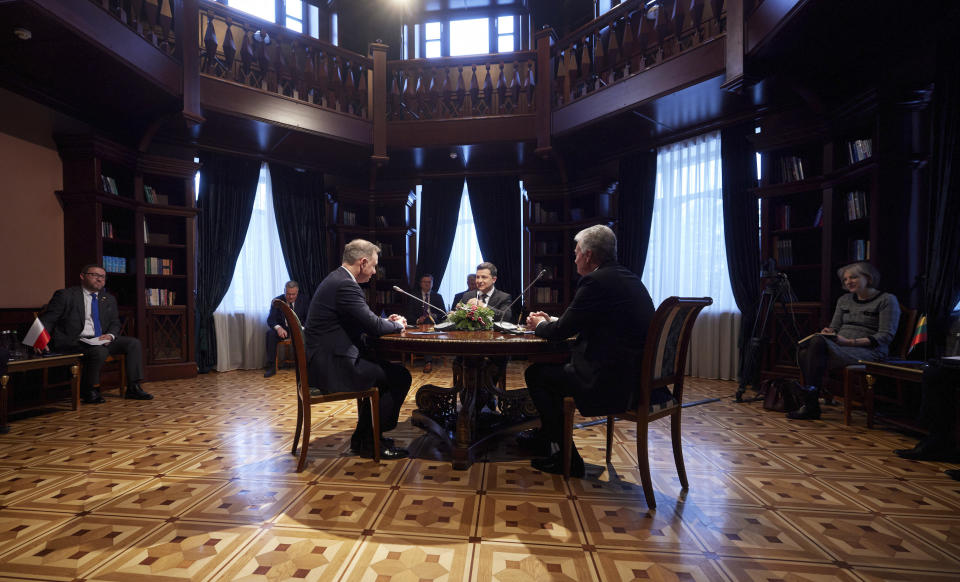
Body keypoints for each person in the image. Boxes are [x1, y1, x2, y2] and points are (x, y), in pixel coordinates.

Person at [524, 225, 656, 477]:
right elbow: (588, 320)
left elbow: (561, 332)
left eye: (575, 253)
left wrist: (540, 325)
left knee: (536, 375)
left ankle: (567, 458)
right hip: (636, 376)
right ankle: (546, 440)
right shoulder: (624, 277)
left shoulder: (595, 281)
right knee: (548, 372)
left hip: (611, 381)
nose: (573, 259)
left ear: (587, 254)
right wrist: (553, 320)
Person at [303, 239, 411, 460]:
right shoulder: (346, 285)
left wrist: (385, 322)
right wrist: (397, 325)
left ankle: (363, 438)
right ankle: (372, 441)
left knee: (386, 372)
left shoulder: (337, 279)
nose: (374, 272)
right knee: (398, 376)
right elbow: (374, 326)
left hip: (326, 360)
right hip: (333, 367)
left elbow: (366, 322)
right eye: (373, 266)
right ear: (362, 263)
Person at [788, 261, 900, 420]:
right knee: (807, 346)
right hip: (839, 346)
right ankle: (811, 399)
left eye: (853, 277)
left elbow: (886, 336)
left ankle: (810, 401)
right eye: (845, 279)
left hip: (869, 351)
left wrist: (849, 342)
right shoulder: (844, 300)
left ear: (868, 278)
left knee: (814, 347)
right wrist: (830, 332)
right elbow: (834, 327)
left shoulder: (887, 300)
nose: (848, 282)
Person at [39, 264, 152, 403]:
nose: (100, 280)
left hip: (99, 339)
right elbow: (48, 320)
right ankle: (89, 389)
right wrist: (41, 340)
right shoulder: (66, 295)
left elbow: (115, 323)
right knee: (99, 352)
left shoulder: (108, 299)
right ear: (82, 276)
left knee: (133, 343)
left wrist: (110, 335)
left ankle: (133, 387)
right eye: (95, 275)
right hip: (74, 341)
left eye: (103, 277)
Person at [263, 281, 310, 378]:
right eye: (288, 294)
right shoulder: (277, 301)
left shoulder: (304, 300)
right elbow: (271, 319)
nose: (291, 297)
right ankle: (271, 367)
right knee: (270, 334)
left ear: (297, 292)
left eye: (293, 294)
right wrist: (278, 328)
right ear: (284, 291)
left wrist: (301, 328)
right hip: (283, 330)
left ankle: (306, 366)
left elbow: (309, 318)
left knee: (310, 335)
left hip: (299, 329)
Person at [405, 274, 445, 373]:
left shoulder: (438, 296)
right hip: (419, 326)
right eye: (425, 282)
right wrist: (418, 320)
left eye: (429, 282)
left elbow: (444, 315)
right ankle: (428, 361)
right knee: (426, 324)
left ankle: (428, 362)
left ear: (432, 284)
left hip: (434, 325)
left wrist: (434, 316)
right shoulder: (414, 296)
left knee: (429, 320)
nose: (427, 284)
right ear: (420, 284)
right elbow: (408, 315)